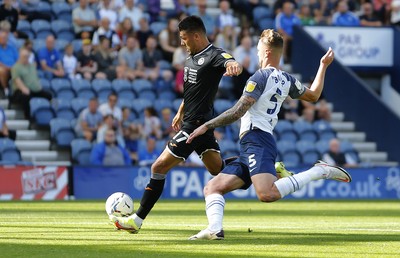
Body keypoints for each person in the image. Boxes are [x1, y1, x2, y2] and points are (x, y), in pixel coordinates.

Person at [183, 29, 352, 240]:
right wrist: (323, 66)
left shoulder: (260, 77)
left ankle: (319, 172)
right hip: (251, 144)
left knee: (267, 194)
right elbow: (314, 95)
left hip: (258, 140)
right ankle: (215, 229)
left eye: (258, 49)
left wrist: (207, 126)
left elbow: (238, 111)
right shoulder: (287, 79)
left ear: (267, 52)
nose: (256, 53)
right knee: (213, 188)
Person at [111, 15, 243, 233]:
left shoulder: (214, 54)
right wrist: (180, 111)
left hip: (195, 126)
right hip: (199, 125)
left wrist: (234, 65)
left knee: (158, 167)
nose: (182, 42)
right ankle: (258, 166)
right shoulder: (190, 57)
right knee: (218, 170)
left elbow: (230, 61)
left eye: (184, 38)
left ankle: (137, 220)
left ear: (197, 35)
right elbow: (191, 90)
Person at [11, 48, 52, 119]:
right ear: (20, 57)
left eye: (27, 56)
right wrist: (24, 89)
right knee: (25, 97)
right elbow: (17, 81)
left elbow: (35, 78)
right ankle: (27, 117)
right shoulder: (16, 67)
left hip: (34, 90)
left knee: (49, 95)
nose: (26, 58)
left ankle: (47, 115)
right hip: (21, 90)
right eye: (24, 57)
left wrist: (38, 87)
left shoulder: (32, 66)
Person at [0, 30, 18, 98]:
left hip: (14, 67)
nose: (2, 40)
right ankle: (6, 89)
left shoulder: (12, 48)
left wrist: (14, 66)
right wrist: (7, 67)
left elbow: (18, 59)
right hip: (4, 68)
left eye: (4, 38)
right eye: (1, 38)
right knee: (1, 71)